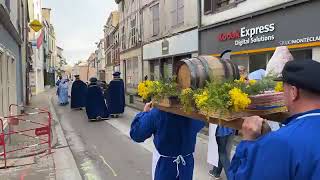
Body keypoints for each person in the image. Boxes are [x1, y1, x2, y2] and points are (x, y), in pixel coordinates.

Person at [229, 59, 320, 180]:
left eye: (283, 90)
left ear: (293, 92)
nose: (282, 94)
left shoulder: (281, 141)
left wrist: (248, 142)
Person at [130, 102, 205, 180]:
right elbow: (200, 123)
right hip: (186, 165)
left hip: (165, 166)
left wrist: (144, 113)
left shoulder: (158, 112)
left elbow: (137, 134)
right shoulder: (194, 112)